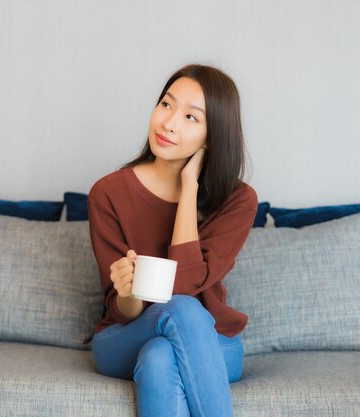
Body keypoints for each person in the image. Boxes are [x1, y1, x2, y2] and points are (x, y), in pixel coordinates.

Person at [87, 63, 258, 417]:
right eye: (166, 104)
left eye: (191, 118)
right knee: (178, 311)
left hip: (214, 343)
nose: (168, 122)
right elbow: (123, 311)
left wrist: (189, 189)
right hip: (125, 336)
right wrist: (127, 291)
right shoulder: (108, 193)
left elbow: (188, 281)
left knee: (160, 357)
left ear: (212, 137)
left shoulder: (238, 200)